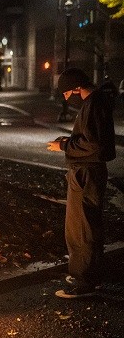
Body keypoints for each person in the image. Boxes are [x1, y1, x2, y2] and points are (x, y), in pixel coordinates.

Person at [46, 67, 117, 298]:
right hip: (89, 172)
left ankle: (82, 281)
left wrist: (64, 146)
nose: (66, 98)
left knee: (80, 229)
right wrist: (68, 141)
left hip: (85, 173)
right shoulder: (95, 102)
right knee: (88, 225)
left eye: (67, 93)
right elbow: (92, 139)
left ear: (77, 88)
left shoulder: (93, 104)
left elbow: (93, 145)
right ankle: (91, 273)